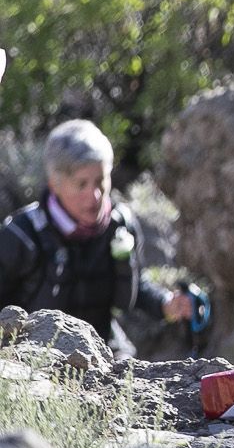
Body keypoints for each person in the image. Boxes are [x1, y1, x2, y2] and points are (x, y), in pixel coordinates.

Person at [0, 120, 196, 355]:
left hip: (102, 349)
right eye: (81, 184)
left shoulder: (120, 224)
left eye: (100, 181)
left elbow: (136, 283)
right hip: (34, 357)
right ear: (55, 184)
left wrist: (166, 303)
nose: (94, 196)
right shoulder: (22, 235)